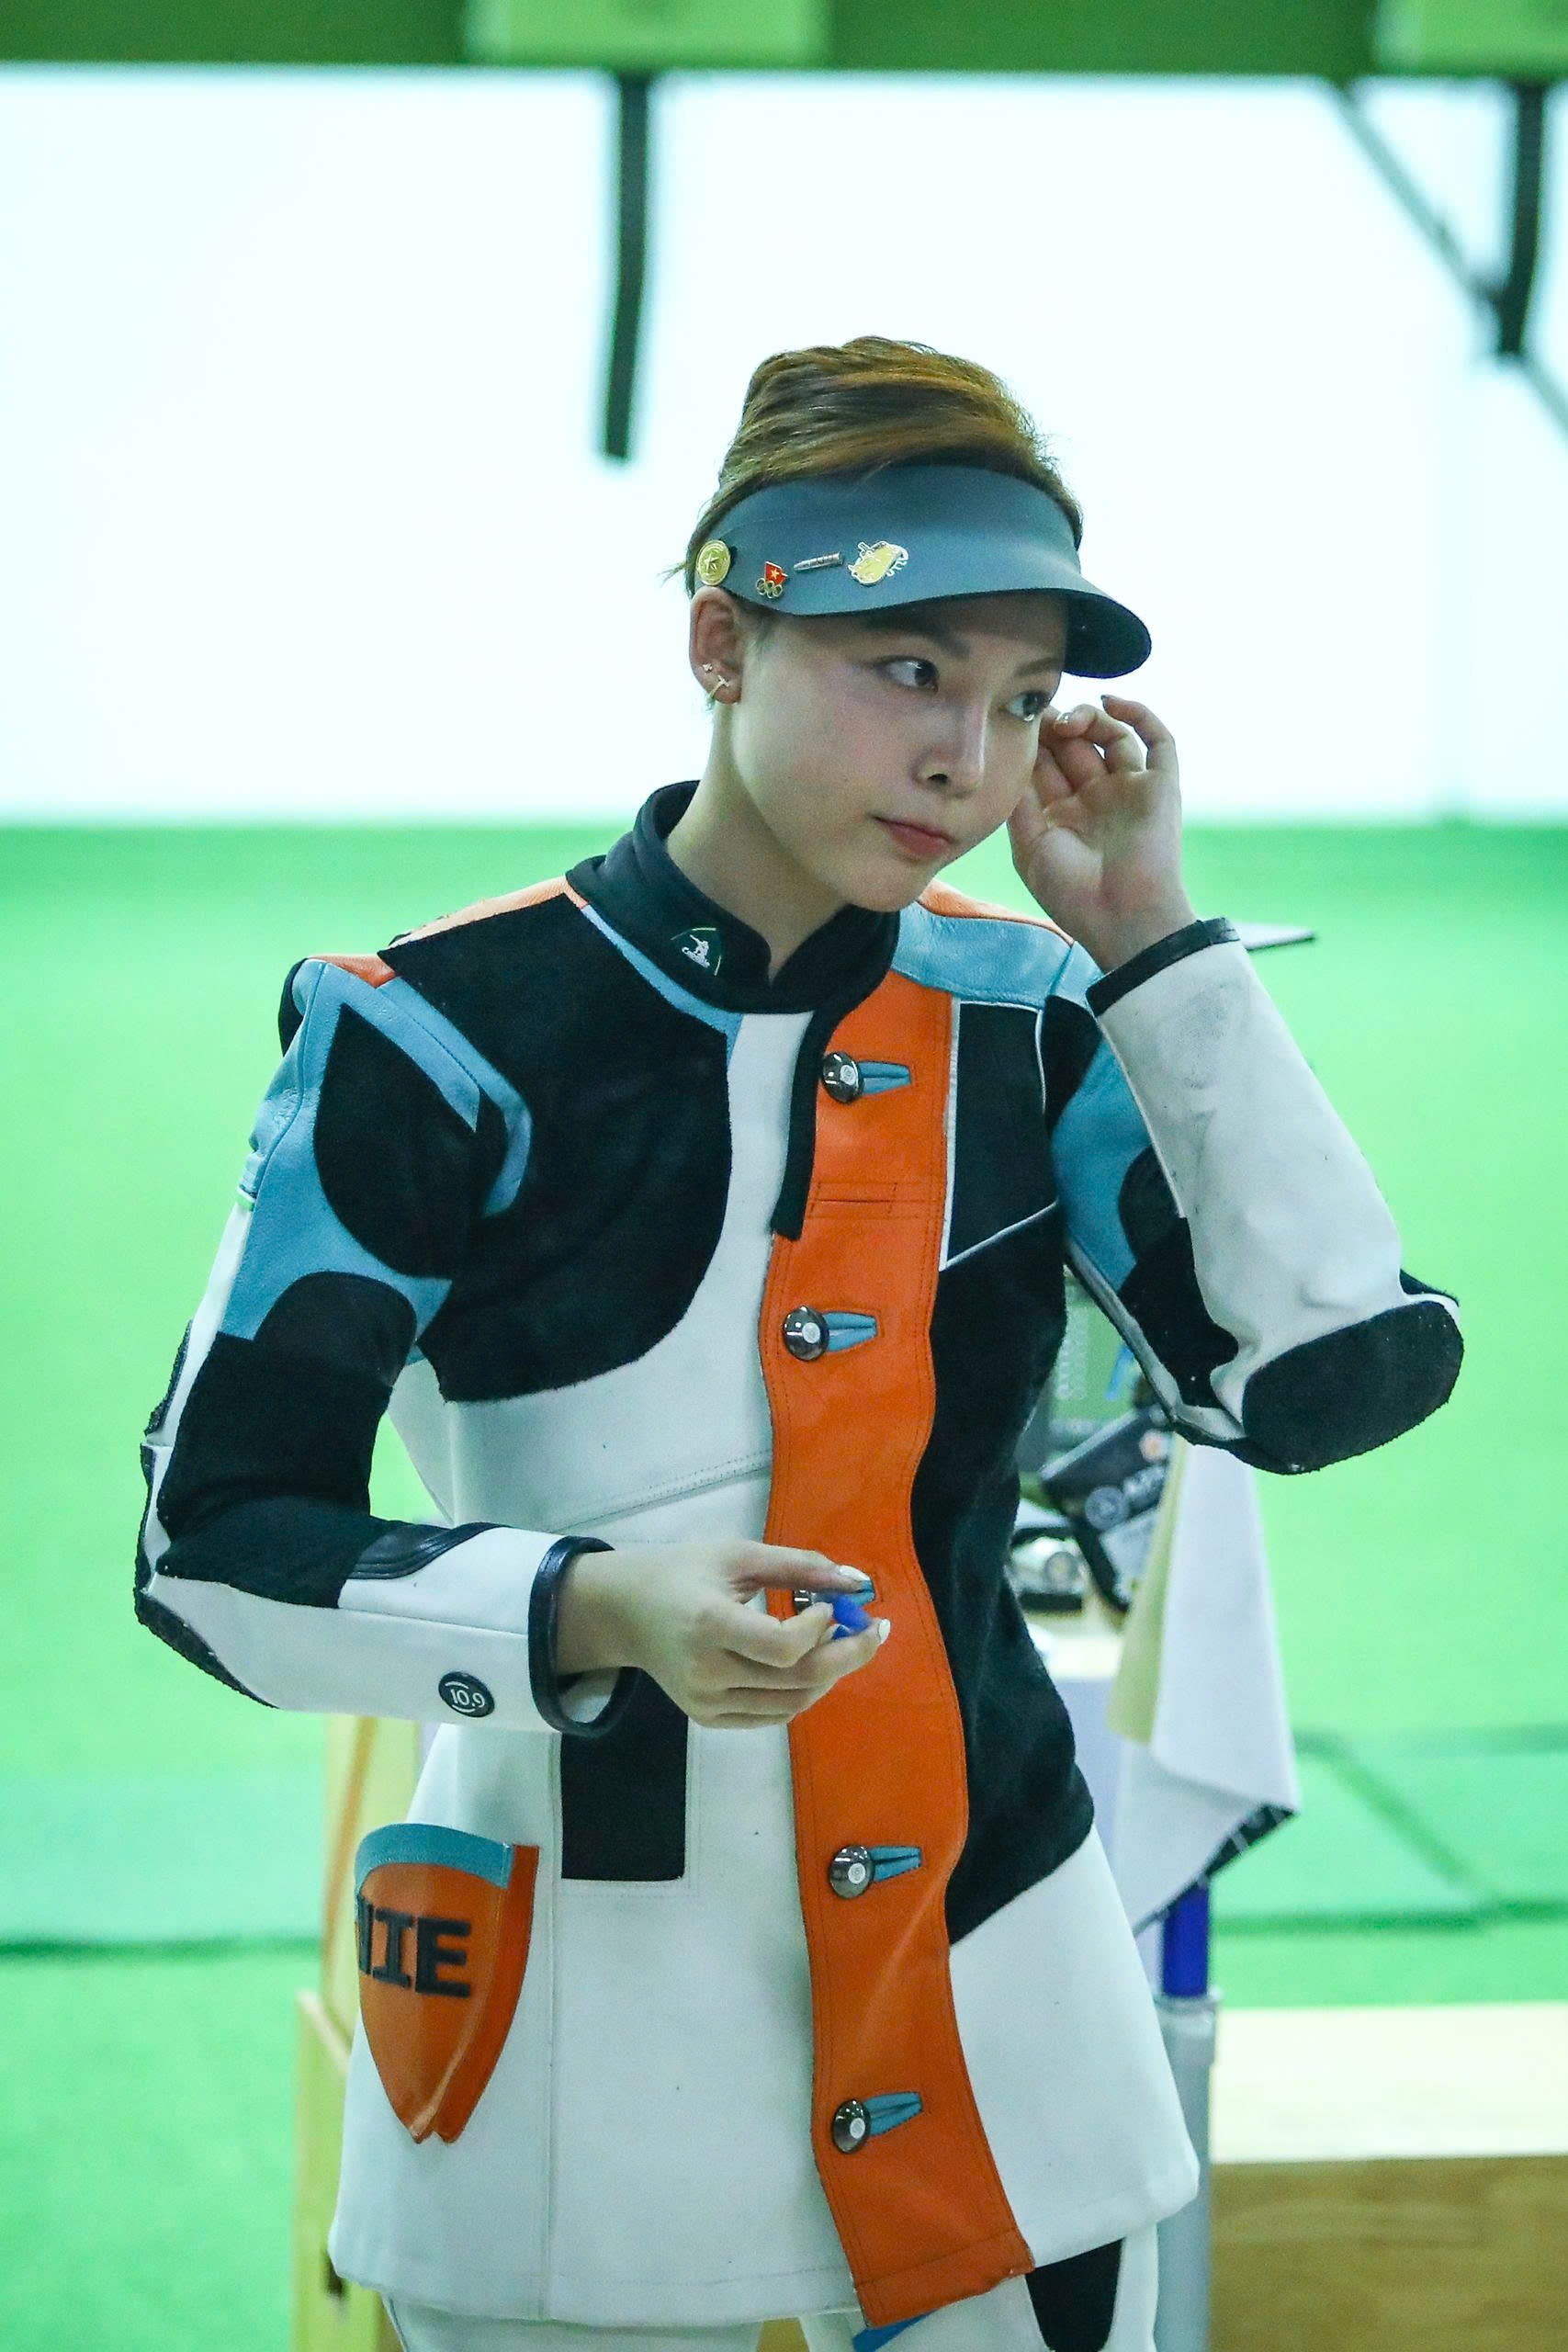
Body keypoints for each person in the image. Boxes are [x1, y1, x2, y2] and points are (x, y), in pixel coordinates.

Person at [134, 335, 1462, 2352]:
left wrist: (1153, 943)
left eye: (1019, 699)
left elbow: (1331, 1377)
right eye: (906, 669)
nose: (967, 761)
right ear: (716, 641)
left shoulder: (1037, 1011)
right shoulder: (427, 1029)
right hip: (576, 1987)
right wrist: (591, 1605)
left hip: (994, 1969)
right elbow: (210, 1543)